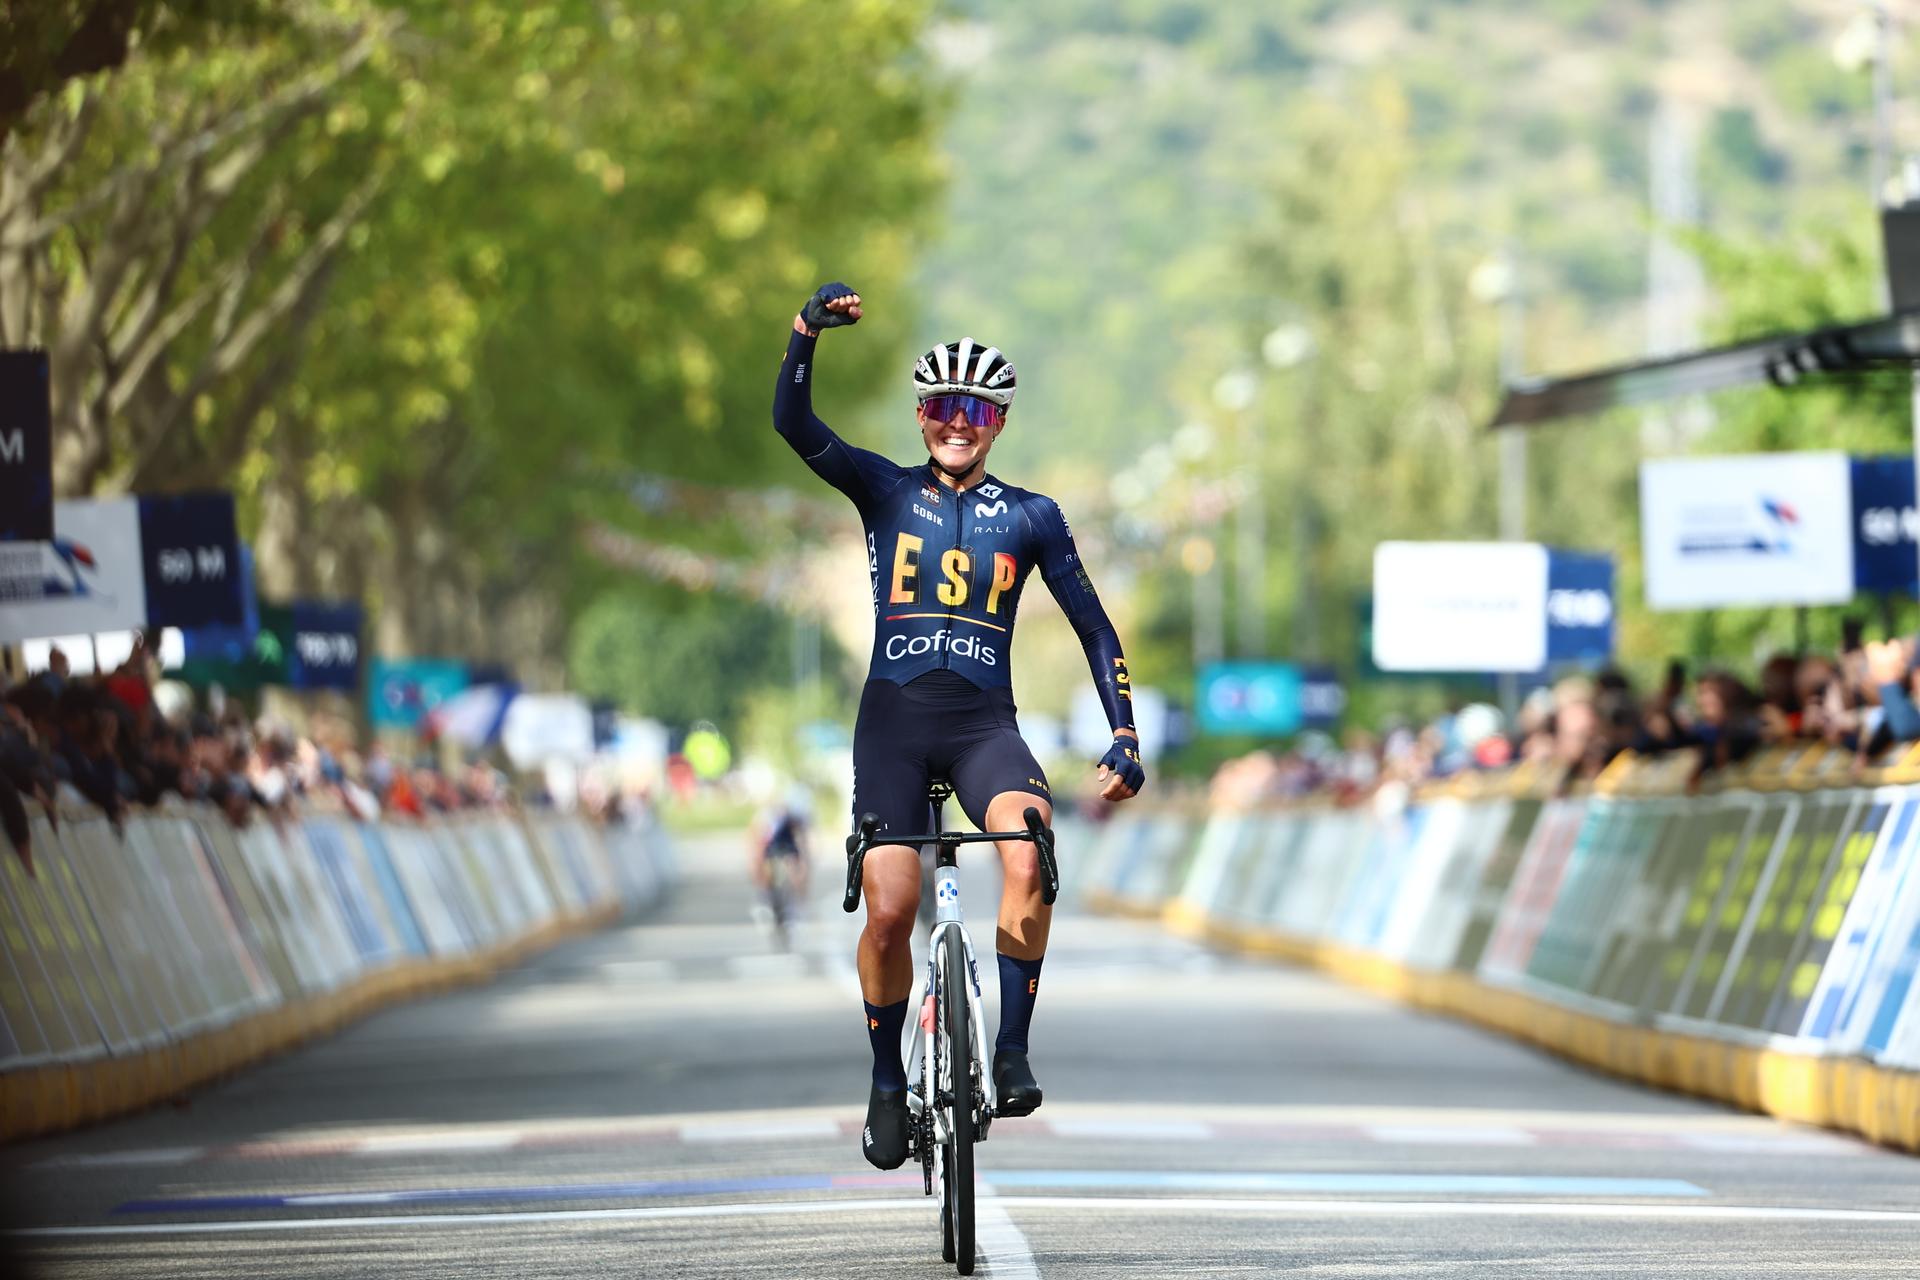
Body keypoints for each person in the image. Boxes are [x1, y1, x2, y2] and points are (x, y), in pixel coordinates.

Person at [772, 281, 1146, 1170]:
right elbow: (794, 423)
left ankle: (1010, 1046)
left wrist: (1125, 733)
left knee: (1030, 845)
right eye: (942, 406)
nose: (956, 422)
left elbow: (1094, 625)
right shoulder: (882, 488)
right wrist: (804, 332)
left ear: (998, 422)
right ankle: (886, 1082)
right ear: (920, 414)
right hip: (894, 725)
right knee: (892, 911)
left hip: (984, 728)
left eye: (974, 409)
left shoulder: (1031, 516)